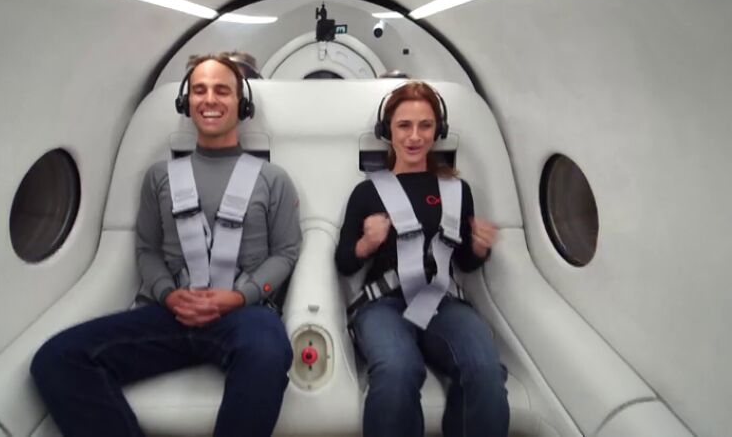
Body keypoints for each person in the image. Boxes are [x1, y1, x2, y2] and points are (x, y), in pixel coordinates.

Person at [30, 54, 302, 437]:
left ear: (241, 105)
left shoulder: (273, 179)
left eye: (222, 91)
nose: (209, 99)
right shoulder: (159, 177)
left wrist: (242, 296)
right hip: (173, 312)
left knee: (269, 353)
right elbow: (147, 250)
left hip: (245, 314)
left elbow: (286, 252)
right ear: (185, 103)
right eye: (199, 91)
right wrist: (169, 295)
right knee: (56, 359)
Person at [335, 81, 509, 437]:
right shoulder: (367, 192)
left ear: (437, 131)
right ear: (388, 131)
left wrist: (479, 248)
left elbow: (465, 262)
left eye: (425, 126)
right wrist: (366, 244)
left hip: (441, 301)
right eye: (404, 126)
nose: (415, 136)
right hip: (383, 304)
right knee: (397, 370)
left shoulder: (456, 191)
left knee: (485, 370)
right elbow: (344, 262)